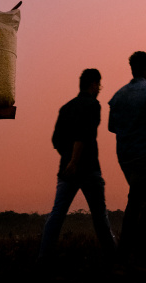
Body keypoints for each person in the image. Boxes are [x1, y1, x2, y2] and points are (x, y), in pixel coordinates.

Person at [38, 69, 116, 262]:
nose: (99, 89)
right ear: (93, 85)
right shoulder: (92, 105)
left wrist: (68, 158)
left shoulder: (66, 108)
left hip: (66, 170)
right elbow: (85, 134)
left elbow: (56, 140)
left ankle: (44, 258)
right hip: (88, 168)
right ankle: (113, 257)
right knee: (99, 216)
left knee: (57, 214)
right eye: (99, 85)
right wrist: (75, 160)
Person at [108, 51, 146, 261]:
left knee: (142, 198)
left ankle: (140, 250)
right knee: (136, 201)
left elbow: (111, 127)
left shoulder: (118, 96)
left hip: (125, 156)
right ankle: (124, 253)